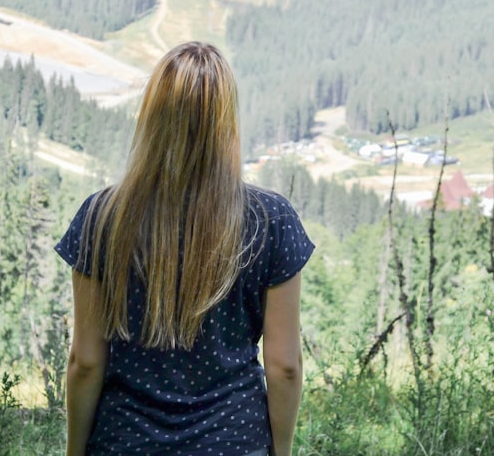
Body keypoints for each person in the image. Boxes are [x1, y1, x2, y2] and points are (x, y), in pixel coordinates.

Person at [56, 41, 314, 456]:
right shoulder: (272, 219)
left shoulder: (100, 218)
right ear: (227, 121)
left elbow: (85, 363)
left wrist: (74, 451)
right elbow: (284, 367)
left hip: (126, 442)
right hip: (234, 443)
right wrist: (279, 451)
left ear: (153, 118)